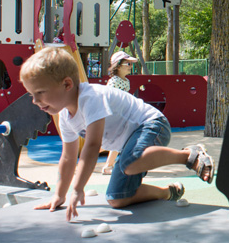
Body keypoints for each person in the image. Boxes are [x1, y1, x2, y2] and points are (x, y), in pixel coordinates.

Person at [21, 46, 213, 221]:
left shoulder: (90, 98)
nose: (35, 101)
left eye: (40, 92)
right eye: (32, 95)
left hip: (151, 124)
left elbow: (92, 146)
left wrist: (78, 188)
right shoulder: (65, 116)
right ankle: (168, 192)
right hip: (130, 142)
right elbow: (68, 158)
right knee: (117, 198)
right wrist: (59, 195)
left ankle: (189, 155)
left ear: (67, 84)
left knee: (130, 163)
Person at [102, 50, 138, 175]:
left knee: (118, 140)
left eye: (131, 64)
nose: (130, 67)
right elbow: (109, 98)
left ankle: (108, 165)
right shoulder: (114, 81)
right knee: (117, 140)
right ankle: (108, 166)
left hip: (122, 115)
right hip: (114, 115)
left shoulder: (126, 81)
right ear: (117, 66)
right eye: (127, 64)